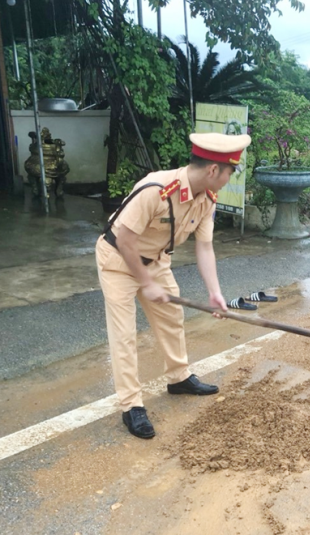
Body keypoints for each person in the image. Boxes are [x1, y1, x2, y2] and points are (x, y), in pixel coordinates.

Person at [96, 132, 250, 439]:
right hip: (118, 260)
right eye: (230, 173)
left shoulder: (207, 199)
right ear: (212, 170)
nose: (229, 180)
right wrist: (146, 283)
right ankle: (131, 405)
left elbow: (204, 248)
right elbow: (124, 238)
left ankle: (179, 378)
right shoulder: (155, 190)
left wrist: (215, 293)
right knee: (124, 335)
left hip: (156, 260)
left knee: (171, 319)